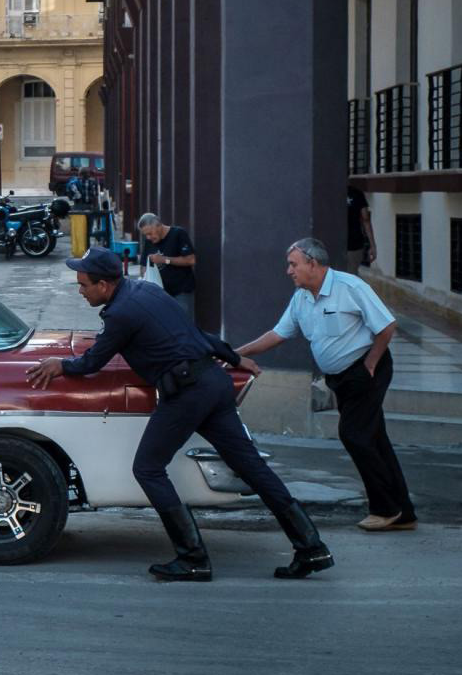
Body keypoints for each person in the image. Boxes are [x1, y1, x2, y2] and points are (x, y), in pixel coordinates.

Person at [26, 247, 333, 581]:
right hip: (213, 384)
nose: (80, 291)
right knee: (252, 468)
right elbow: (197, 333)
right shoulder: (145, 290)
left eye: (84, 284)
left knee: (147, 468)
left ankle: (192, 558)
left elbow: (93, 362)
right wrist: (232, 358)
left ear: (104, 285)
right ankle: (311, 547)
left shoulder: (121, 314)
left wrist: (60, 365)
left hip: (188, 392)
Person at [236, 237, 414, 532]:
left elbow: (386, 326)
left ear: (312, 264)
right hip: (340, 378)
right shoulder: (302, 297)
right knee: (374, 438)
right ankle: (403, 512)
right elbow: (277, 334)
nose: (288, 271)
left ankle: (386, 509)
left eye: (293, 264)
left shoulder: (350, 287)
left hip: (366, 370)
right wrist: (236, 354)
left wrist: (370, 364)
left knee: (355, 435)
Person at [136, 212, 196, 317]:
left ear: (158, 225)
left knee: (183, 325)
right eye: (146, 235)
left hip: (181, 291)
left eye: (150, 233)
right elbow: (143, 265)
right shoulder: (149, 241)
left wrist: (164, 260)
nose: (148, 237)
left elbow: (191, 260)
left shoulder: (178, 234)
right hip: (160, 294)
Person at [346, 185, 377, 274]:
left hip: (333, 243)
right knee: (351, 276)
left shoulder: (329, 192)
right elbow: (366, 219)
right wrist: (372, 245)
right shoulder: (357, 193)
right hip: (354, 243)